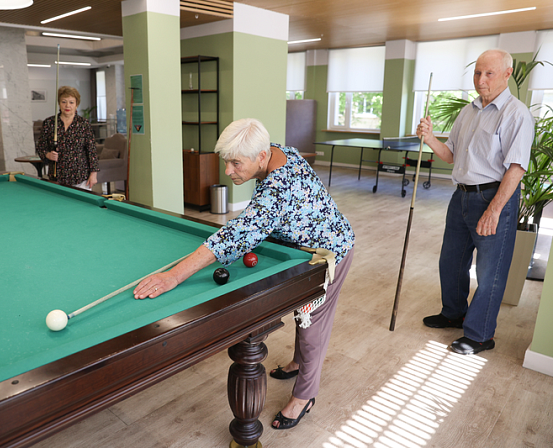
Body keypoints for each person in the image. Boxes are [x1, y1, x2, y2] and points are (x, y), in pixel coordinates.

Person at [133, 118, 355, 430]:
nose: (228, 171)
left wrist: (174, 276)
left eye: (236, 163)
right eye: (227, 162)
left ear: (261, 157)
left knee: (311, 323)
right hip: (300, 246)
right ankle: (297, 363)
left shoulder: (278, 187)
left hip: (329, 252)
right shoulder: (279, 150)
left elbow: (236, 234)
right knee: (300, 314)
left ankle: (305, 396)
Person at [416, 49, 534, 355]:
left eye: (489, 73)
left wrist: (494, 210)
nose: (481, 80)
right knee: (451, 261)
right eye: (477, 72)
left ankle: (481, 334)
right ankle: (453, 312)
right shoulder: (467, 112)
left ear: (507, 74)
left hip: (494, 197)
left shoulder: (516, 114)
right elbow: (452, 156)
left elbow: (517, 167)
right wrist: (430, 139)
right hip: (462, 196)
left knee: (489, 270)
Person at [36, 86, 99, 189]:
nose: (67, 105)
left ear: (76, 104)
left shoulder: (83, 124)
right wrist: (47, 155)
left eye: (71, 102)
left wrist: (94, 174)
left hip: (81, 177)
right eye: (64, 102)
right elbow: (41, 147)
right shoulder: (50, 123)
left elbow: (91, 150)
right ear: (59, 103)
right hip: (56, 177)